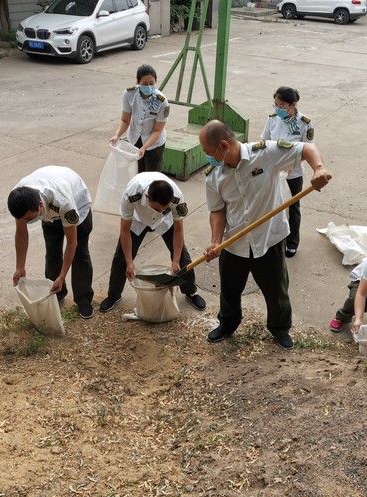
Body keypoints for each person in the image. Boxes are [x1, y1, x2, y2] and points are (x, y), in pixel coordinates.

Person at [200, 119, 331, 350]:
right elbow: (218, 210)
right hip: (235, 243)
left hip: (269, 238)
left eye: (209, 152)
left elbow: (306, 148)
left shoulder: (266, 153)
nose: (207, 157)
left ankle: (280, 328)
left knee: (276, 290)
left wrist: (318, 168)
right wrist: (215, 241)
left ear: (223, 145)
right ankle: (227, 324)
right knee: (230, 290)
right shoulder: (213, 175)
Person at [99, 172, 206, 312]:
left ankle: (191, 291)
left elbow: (179, 230)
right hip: (138, 220)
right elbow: (125, 231)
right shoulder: (131, 194)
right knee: (121, 259)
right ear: (147, 197)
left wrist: (175, 260)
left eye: (163, 208)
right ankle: (113, 295)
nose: (159, 211)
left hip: (164, 221)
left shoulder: (177, 197)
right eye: (156, 208)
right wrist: (129, 262)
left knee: (183, 258)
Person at [8, 166, 95, 319]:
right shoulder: (19, 199)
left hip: (76, 203)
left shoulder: (64, 202)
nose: (27, 222)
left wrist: (62, 276)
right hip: (49, 212)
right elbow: (21, 233)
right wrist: (19, 267)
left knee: (80, 253)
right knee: (52, 251)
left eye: (29, 219)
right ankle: (57, 292)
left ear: (40, 206)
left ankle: (83, 299)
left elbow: (71, 242)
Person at [261, 86, 315, 258]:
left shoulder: (304, 123)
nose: (278, 109)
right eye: (275, 104)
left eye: (282, 106)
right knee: (271, 204)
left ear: (293, 104)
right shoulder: (272, 119)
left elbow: (308, 149)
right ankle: (273, 238)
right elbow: (265, 142)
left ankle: (292, 242)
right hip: (273, 170)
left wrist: (291, 164)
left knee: (292, 207)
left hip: (293, 173)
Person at [110, 64, 169, 173]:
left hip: (154, 144)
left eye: (151, 83)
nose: (148, 87)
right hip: (135, 139)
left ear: (156, 81)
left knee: (151, 177)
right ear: (138, 82)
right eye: (145, 84)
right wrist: (117, 135)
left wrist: (144, 147)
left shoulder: (161, 101)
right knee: (136, 173)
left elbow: (157, 130)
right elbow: (125, 120)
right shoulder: (129, 94)